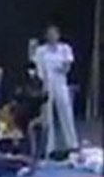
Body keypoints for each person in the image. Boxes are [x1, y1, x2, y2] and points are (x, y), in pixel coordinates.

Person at [31, 25, 79, 157]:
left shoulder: (65, 48)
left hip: (60, 82)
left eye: (54, 34)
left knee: (66, 112)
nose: (52, 36)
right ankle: (49, 146)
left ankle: (72, 144)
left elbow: (67, 66)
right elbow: (38, 67)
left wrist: (61, 68)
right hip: (46, 83)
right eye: (49, 34)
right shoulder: (41, 50)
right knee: (47, 115)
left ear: (58, 35)